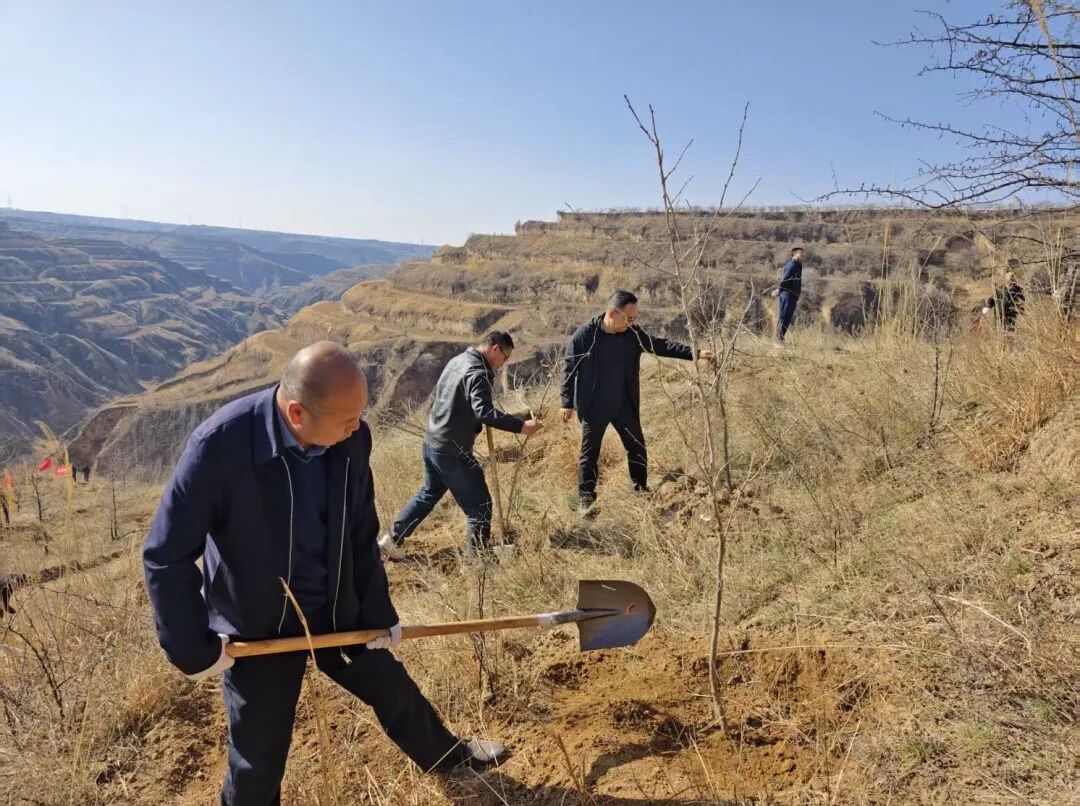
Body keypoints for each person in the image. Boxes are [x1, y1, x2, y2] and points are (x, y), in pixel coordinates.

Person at [143, 341, 505, 806]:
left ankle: (451, 758)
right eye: (347, 419)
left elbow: (360, 529)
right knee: (258, 758)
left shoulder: (352, 438)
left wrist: (378, 613)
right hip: (258, 630)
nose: (358, 427)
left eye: (360, 416)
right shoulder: (220, 447)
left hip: (337, 610)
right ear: (297, 413)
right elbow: (166, 555)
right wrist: (193, 647)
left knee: (393, 690)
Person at [379, 332, 542, 561]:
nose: (504, 363)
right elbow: (484, 412)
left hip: (432, 442)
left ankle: (391, 541)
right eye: (505, 357)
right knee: (480, 505)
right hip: (452, 451)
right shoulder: (479, 373)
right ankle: (477, 564)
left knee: (429, 493)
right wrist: (522, 427)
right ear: (495, 349)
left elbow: (461, 402)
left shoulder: (458, 360)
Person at [560, 290, 714, 515]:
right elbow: (568, 367)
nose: (632, 323)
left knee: (637, 447)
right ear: (612, 314)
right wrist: (566, 402)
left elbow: (660, 346)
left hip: (624, 403)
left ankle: (640, 489)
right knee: (589, 454)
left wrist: (696, 353)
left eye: (634, 318)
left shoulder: (632, 334)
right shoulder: (585, 335)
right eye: (629, 318)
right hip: (594, 406)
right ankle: (585, 499)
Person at [771, 247, 805, 343]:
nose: (803, 255)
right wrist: (779, 290)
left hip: (792, 296)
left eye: (803, 253)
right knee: (784, 317)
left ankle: (780, 338)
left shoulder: (797, 265)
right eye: (801, 253)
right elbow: (785, 280)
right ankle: (778, 340)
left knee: (787, 317)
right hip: (787, 295)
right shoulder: (792, 266)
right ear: (795, 254)